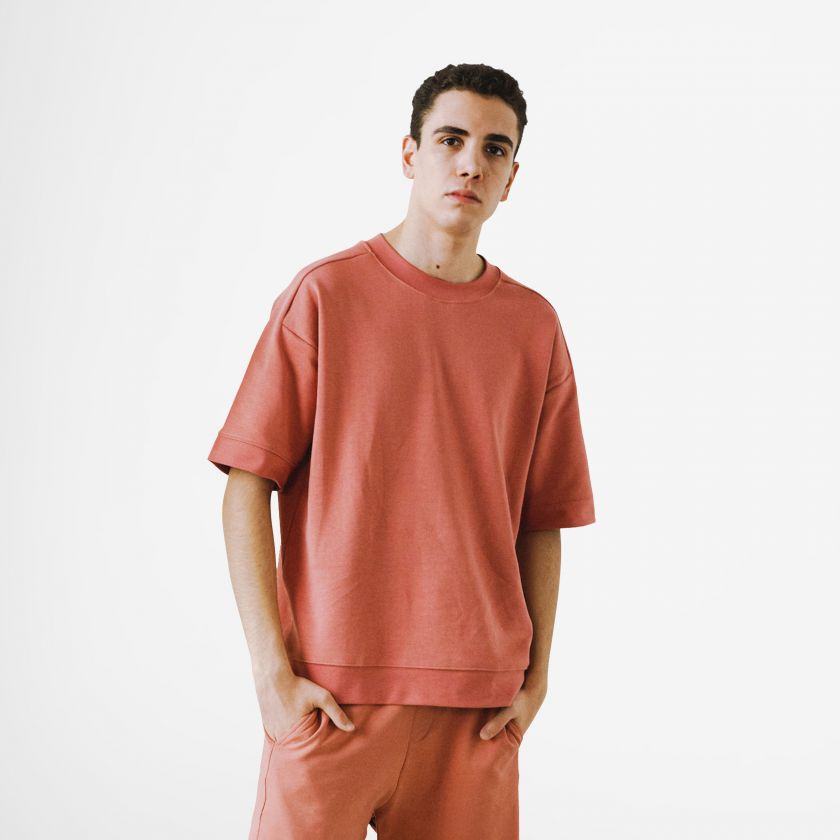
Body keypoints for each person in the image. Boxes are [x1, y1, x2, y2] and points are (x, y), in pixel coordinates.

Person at [207, 62, 596, 840]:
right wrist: (272, 679)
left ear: (511, 178)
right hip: (332, 701)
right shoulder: (325, 295)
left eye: (494, 149)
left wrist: (538, 678)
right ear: (410, 154)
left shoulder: (533, 327)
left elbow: (542, 516)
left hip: (479, 711)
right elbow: (247, 481)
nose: (470, 163)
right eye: (451, 140)